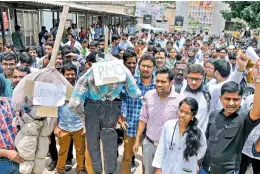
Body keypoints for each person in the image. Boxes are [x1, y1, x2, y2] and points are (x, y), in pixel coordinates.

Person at [69, 49, 142, 174]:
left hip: (92, 106)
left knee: (92, 143)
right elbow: (135, 93)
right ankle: (109, 171)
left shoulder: (92, 71)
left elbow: (74, 102)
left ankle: (98, 170)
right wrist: (120, 93)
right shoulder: (122, 69)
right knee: (110, 143)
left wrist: (82, 115)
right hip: (111, 107)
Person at [200, 59, 260, 174]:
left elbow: (256, 112)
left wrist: (258, 79)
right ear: (220, 99)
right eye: (227, 99)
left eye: (236, 99)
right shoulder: (214, 115)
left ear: (241, 99)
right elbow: (206, 142)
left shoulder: (244, 119)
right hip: (205, 169)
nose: (231, 103)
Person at [133, 67, 182, 174]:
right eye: (157, 81)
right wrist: (137, 140)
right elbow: (143, 118)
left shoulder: (179, 100)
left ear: (171, 82)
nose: (159, 84)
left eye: (163, 82)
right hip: (149, 145)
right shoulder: (149, 95)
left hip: (168, 148)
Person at [120, 53, 156, 174]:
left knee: (148, 160)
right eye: (143, 65)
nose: (145, 69)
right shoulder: (130, 82)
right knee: (127, 156)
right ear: (139, 66)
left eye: (149, 66)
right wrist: (122, 117)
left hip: (151, 129)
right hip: (131, 125)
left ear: (154, 68)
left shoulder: (158, 85)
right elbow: (122, 98)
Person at [152, 97, 207, 174]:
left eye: (187, 113)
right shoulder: (168, 125)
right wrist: (158, 169)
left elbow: (201, 152)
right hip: (168, 169)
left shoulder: (199, 132)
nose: (182, 115)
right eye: (181, 111)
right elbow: (162, 148)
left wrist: (190, 158)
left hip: (187, 169)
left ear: (193, 115)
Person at [54, 63, 86, 174]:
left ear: (76, 75)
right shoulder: (57, 90)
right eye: (67, 74)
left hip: (79, 126)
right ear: (63, 75)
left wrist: (85, 125)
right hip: (63, 127)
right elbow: (54, 109)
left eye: (72, 74)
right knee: (62, 151)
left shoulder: (81, 89)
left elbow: (86, 107)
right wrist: (55, 126)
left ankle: (81, 168)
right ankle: (60, 169)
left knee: (80, 150)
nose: (70, 76)